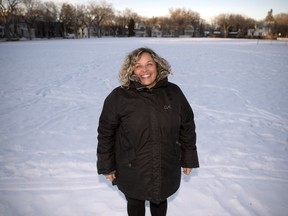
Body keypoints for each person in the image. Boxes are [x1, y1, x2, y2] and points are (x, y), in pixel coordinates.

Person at [97, 47, 199, 216]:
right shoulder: (119, 97)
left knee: (160, 198)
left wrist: (188, 158)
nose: (144, 70)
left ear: (158, 66)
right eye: (138, 65)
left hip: (166, 163)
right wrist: (107, 166)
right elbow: (105, 133)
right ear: (131, 70)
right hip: (133, 166)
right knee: (135, 200)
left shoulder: (174, 93)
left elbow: (187, 126)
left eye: (149, 64)